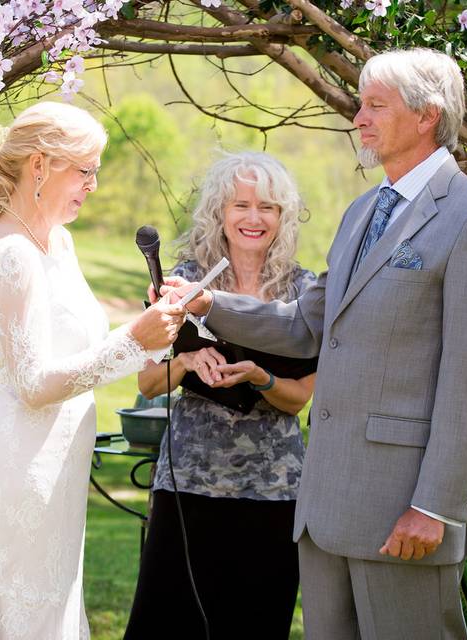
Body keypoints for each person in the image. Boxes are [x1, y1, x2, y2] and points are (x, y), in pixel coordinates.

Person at [160, 48, 467, 639]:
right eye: (361, 104)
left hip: (403, 512)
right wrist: (209, 304)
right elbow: (307, 324)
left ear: (426, 115)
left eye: (375, 105)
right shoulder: (361, 212)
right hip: (323, 513)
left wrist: (434, 506)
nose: (359, 118)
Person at [0, 101, 186, 639]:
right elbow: (33, 385)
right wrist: (132, 340)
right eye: (85, 169)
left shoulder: (58, 242)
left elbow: (83, 349)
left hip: (60, 469)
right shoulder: (12, 255)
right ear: (40, 166)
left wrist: (149, 325)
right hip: (19, 472)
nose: (94, 184)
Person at [124, 152, 316, 640]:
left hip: (274, 489)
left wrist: (260, 377)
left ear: (283, 217)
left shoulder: (305, 291)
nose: (254, 218)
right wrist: (188, 361)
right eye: (242, 205)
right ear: (220, 212)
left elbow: (299, 400)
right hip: (189, 483)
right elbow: (147, 383)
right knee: (168, 623)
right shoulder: (184, 280)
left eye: (268, 207)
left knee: (254, 624)